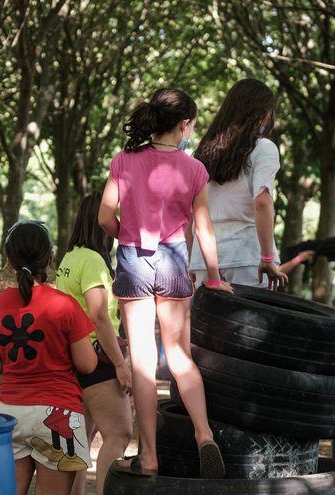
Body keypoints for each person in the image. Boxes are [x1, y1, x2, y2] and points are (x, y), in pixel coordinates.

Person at [98, 87, 233, 479]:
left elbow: (105, 216)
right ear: (184, 124)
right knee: (178, 356)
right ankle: (204, 433)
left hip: (134, 259)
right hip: (174, 258)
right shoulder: (194, 170)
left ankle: (149, 457)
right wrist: (213, 276)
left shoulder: (124, 160)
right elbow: (203, 227)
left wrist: (129, 232)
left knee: (142, 362)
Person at [0, 221, 97, 495]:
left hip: (11, 411)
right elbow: (87, 364)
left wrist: (17, 366)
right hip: (59, 414)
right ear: (50, 258)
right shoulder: (65, 305)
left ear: (9, 262)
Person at [56, 193, 133, 495]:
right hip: (97, 359)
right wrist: (120, 363)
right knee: (119, 433)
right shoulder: (93, 260)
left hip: (73, 359)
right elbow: (98, 316)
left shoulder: (69, 258)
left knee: (80, 443)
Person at [191, 79, 288, 291]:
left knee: (208, 325)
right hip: (246, 256)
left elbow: (192, 211)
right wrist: (267, 257)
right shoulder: (263, 148)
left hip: (203, 259)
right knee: (251, 325)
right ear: (263, 114)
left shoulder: (202, 153)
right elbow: (262, 202)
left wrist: (190, 259)